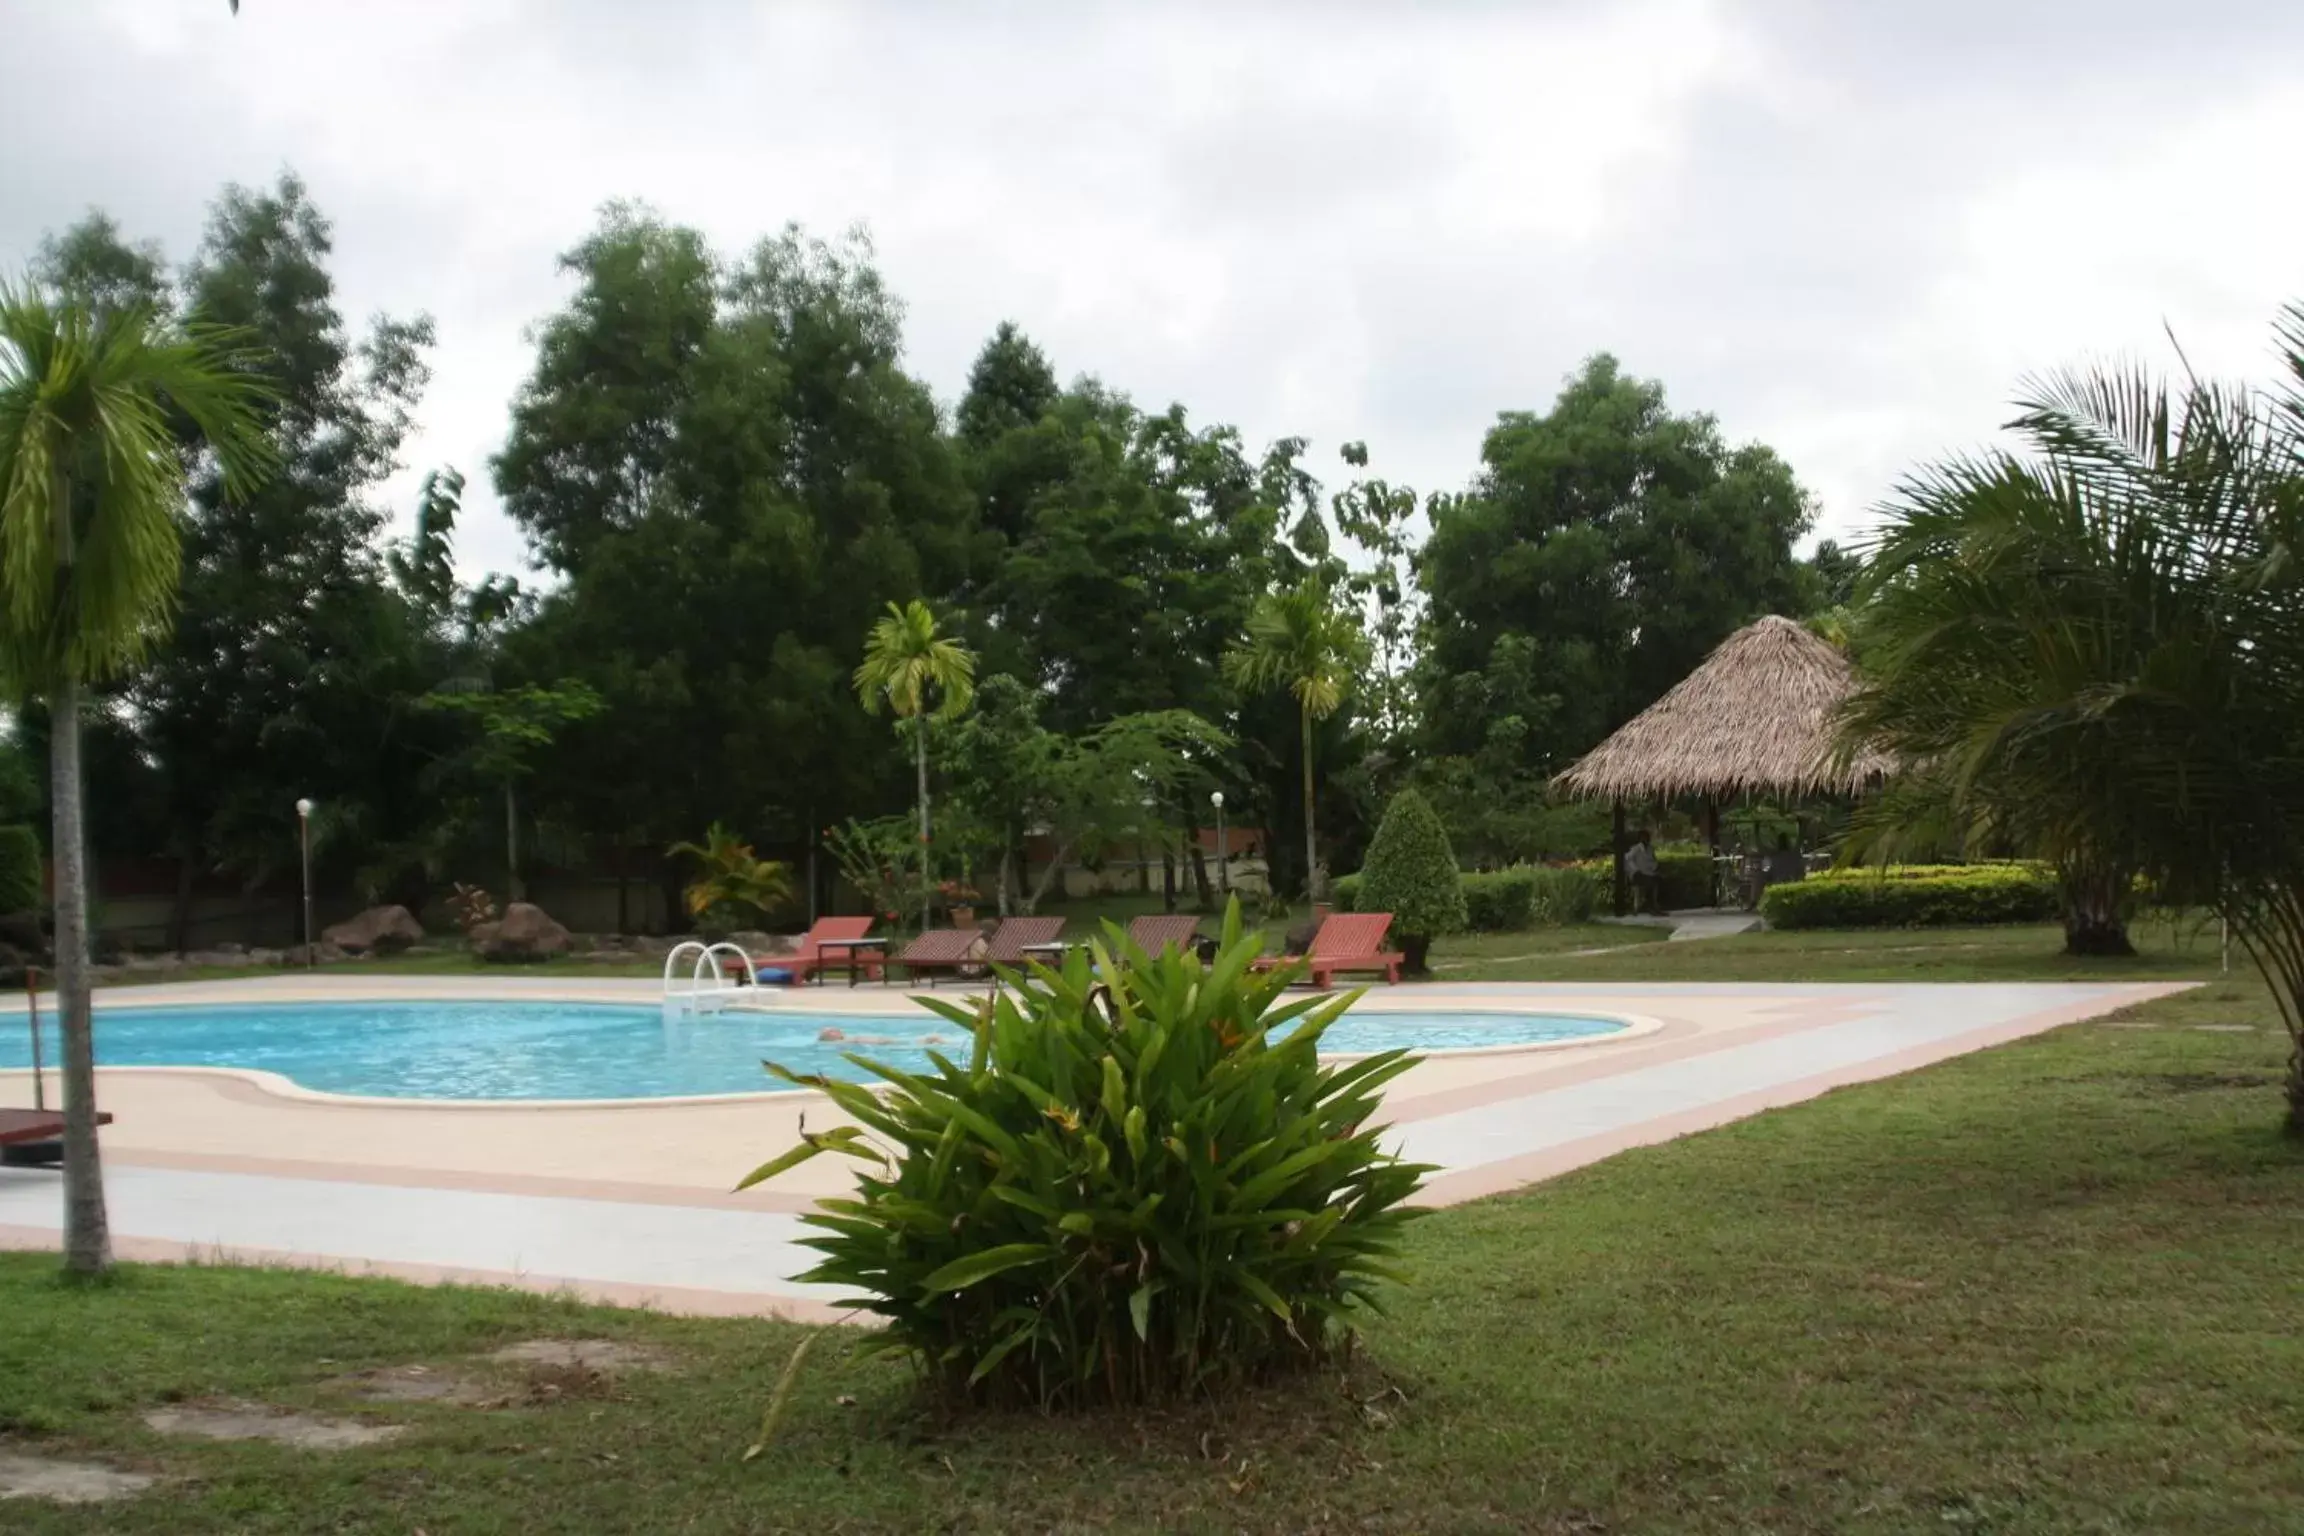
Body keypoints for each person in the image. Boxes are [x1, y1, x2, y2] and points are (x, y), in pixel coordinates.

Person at [1624, 828, 1661, 915]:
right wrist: (1636, 869)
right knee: (1649, 883)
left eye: (1647, 837)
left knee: (1656, 880)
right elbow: (1628, 859)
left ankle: (1653, 906)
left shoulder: (1650, 849)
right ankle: (1650, 907)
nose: (1646, 839)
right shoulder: (1636, 849)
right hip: (1638, 874)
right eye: (1643, 837)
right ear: (1640, 838)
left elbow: (1653, 861)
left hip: (1649, 873)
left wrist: (1655, 867)